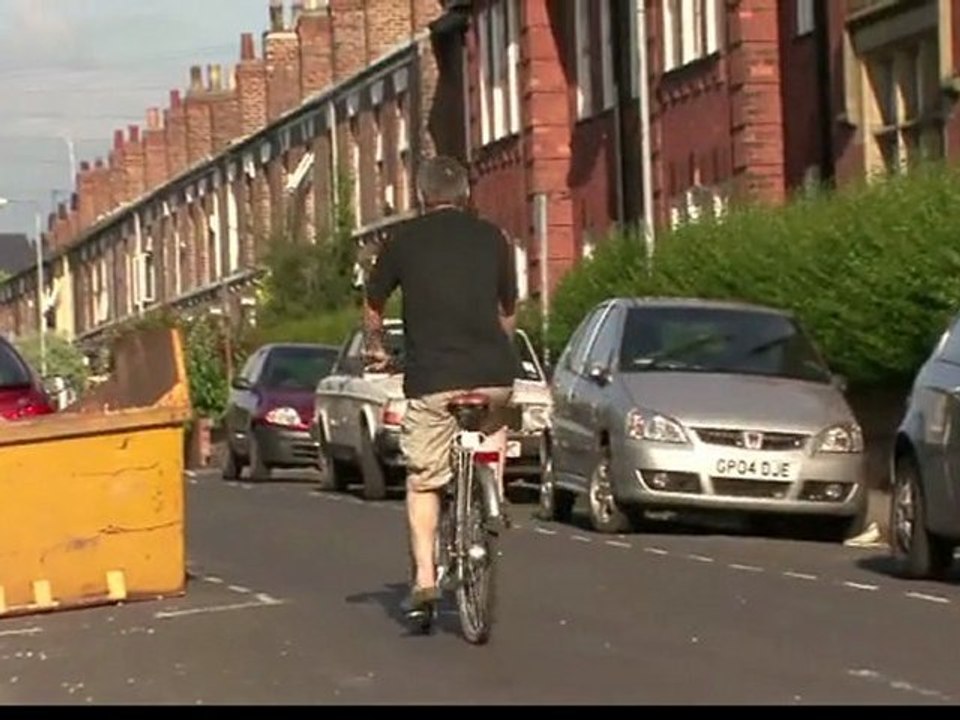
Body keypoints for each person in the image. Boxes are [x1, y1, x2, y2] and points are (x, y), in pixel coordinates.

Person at [363, 155, 519, 618]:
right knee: (495, 420)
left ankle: (426, 581)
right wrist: (499, 347)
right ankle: (494, 490)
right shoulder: (494, 238)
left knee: (424, 479)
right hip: (494, 376)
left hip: (433, 381)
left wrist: (377, 347)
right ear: (466, 194)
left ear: (420, 195)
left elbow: (373, 304)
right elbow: (507, 309)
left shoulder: (402, 241)